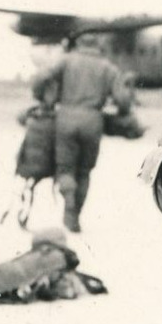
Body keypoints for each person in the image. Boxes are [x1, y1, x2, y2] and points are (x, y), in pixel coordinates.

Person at [32, 30, 134, 232]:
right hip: (93, 121)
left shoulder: (66, 60)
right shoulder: (108, 68)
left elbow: (41, 77)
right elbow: (123, 99)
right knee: (84, 172)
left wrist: (41, 98)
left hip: (66, 118)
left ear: (78, 44)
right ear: (97, 46)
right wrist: (122, 113)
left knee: (65, 169)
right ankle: (75, 216)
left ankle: (68, 205)